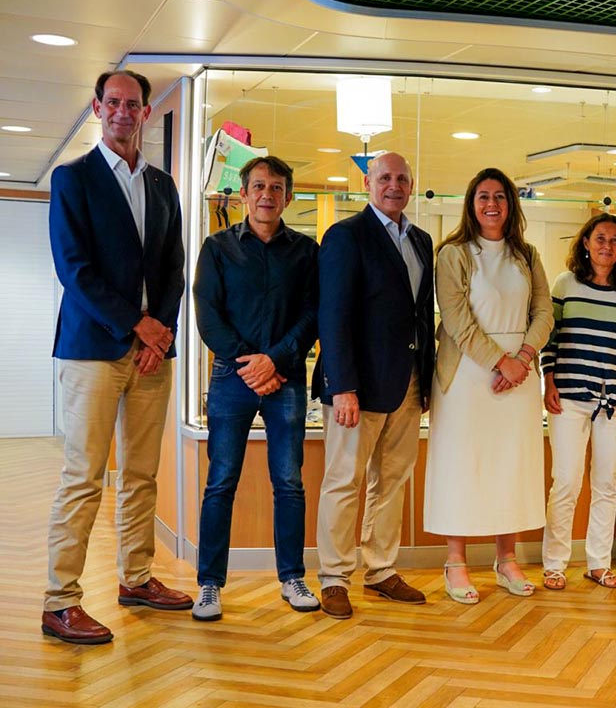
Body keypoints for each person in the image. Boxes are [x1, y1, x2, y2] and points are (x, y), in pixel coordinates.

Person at [42, 70, 190, 644]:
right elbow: (73, 270)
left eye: (134, 104)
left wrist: (162, 332)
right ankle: (60, 601)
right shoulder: (72, 179)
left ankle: (136, 578)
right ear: (98, 108)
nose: (124, 111)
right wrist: (138, 324)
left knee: (141, 475)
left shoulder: (162, 185)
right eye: (115, 103)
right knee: (83, 476)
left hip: (153, 353)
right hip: (93, 349)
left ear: (147, 113)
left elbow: (175, 268)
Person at [191, 156, 320, 621]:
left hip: (285, 379)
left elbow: (313, 313)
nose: (268, 194)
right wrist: (250, 363)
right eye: (259, 186)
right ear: (243, 194)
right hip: (232, 378)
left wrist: (277, 360)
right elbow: (208, 313)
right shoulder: (217, 247)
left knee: (288, 482)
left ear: (289, 196)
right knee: (221, 481)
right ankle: (209, 584)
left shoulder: (307, 251)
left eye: (277, 187)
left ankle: (292, 577)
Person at [312, 152, 435, 619]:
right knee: (344, 481)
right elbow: (333, 314)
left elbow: (420, 315)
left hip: (408, 383)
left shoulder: (421, 240)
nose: (394, 185)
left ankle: (381, 570)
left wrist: (426, 381)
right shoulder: (346, 236)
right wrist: (341, 384)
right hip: (356, 388)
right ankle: (334, 577)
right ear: (368, 182)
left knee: (393, 481)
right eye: (385, 177)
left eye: (403, 178)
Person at [423, 167, 553, 603]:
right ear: (471, 203)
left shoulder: (527, 254)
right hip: (466, 377)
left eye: (500, 196)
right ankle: (456, 562)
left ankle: (507, 559)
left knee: (510, 465)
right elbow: (457, 319)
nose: (492, 204)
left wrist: (522, 359)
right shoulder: (453, 253)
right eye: (483, 196)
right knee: (464, 465)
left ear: (511, 204)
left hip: (516, 378)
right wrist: (501, 361)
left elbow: (544, 312)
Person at [541, 214, 616, 590]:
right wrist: (548, 380)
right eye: (600, 238)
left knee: (606, 483)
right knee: (566, 482)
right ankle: (554, 563)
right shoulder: (565, 284)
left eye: (615, 240)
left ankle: (598, 563)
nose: (607, 245)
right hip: (569, 399)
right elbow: (550, 340)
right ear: (585, 242)